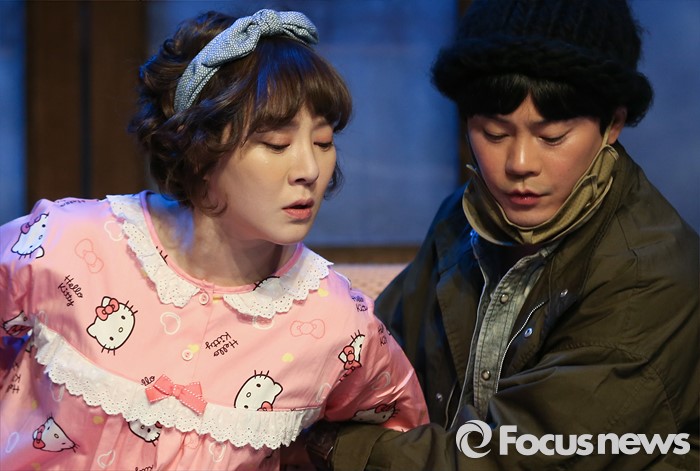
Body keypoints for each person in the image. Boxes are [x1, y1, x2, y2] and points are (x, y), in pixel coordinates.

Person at [0, 9, 428, 470]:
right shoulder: (65, 243)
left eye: (323, 143)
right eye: (277, 144)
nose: (309, 170)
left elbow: (399, 438)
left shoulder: (337, 321)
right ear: (201, 149)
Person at [305, 0, 699, 469]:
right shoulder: (464, 218)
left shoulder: (648, 277)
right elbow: (376, 349)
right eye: (494, 133)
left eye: (552, 137)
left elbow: (514, 457)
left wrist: (331, 447)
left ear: (612, 124)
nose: (519, 164)